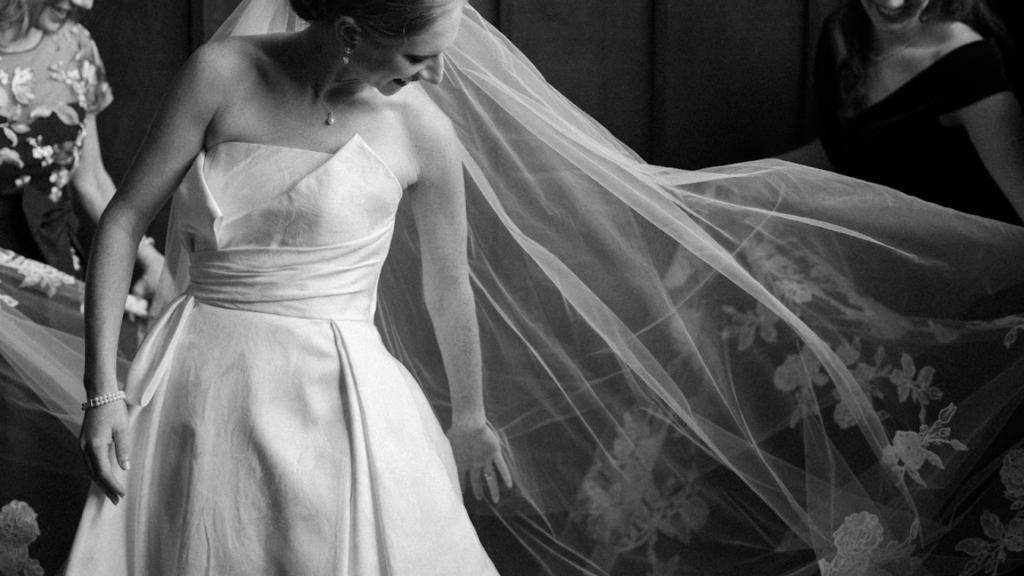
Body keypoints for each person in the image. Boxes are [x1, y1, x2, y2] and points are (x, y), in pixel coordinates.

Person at [2, 0, 1021, 574]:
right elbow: (126, 216)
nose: (436, 78)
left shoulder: (422, 134)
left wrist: (473, 415)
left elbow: (448, 293)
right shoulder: (222, 74)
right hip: (193, 374)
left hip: (336, 394)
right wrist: (105, 392)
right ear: (352, 27)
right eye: (416, 56)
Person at [782, 0, 1024, 226]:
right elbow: (843, 150)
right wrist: (750, 175)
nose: (891, 2)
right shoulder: (842, 31)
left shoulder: (970, 66)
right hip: (865, 237)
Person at [0, 0, 162, 292]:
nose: (84, 2)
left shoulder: (77, 47)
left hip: (50, 260)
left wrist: (150, 258)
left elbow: (92, 180)